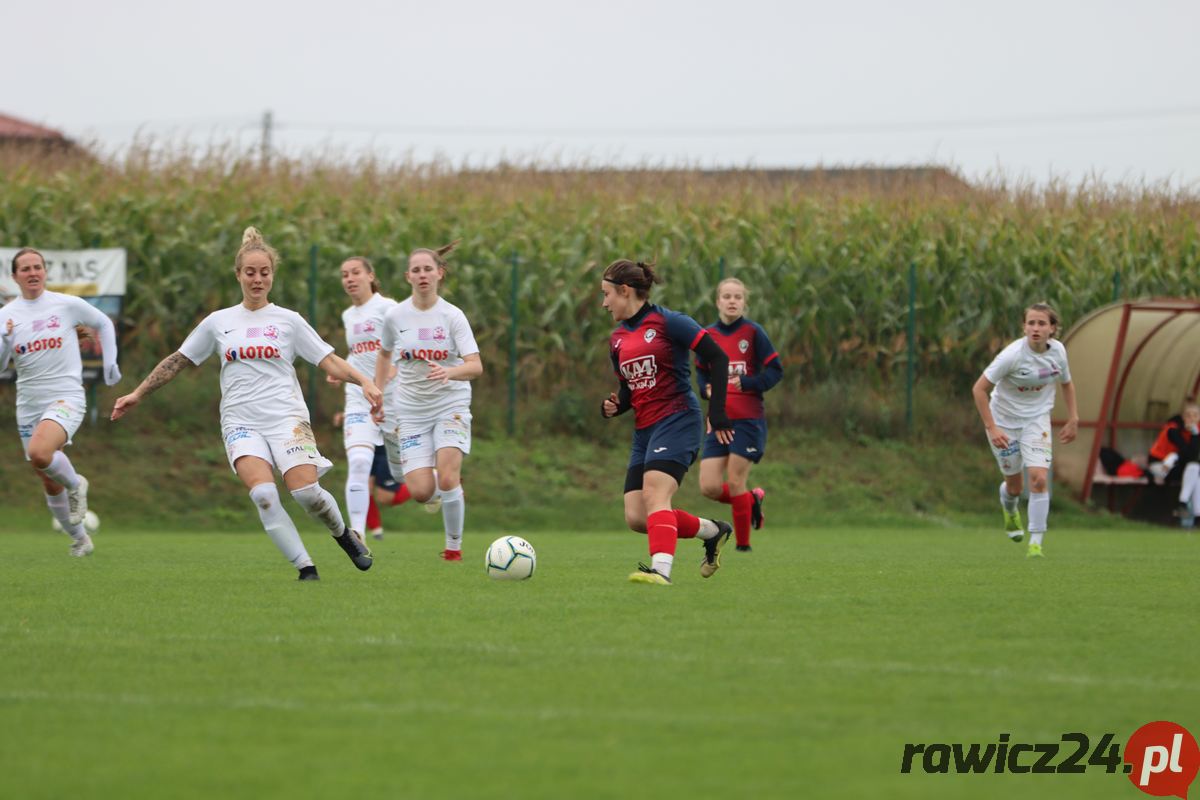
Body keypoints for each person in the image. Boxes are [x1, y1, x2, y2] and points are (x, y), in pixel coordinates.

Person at [110, 227, 381, 580]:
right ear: (238, 275)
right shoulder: (219, 322)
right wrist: (137, 393)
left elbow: (328, 360)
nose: (257, 279)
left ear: (272, 275)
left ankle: (345, 536)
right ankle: (306, 569)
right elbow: (179, 359)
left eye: (264, 272)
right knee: (265, 495)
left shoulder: (288, 320)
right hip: (240, 421)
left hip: (287, 418)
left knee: (306, 494)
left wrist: (364, 381)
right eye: (250, 272)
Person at [599, 258, 734, 585]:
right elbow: (628, 387)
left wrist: (717, 412)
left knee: (656, 494)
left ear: (625, 291)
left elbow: (718, 356)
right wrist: (617, 406)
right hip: (644, 430)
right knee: (637, 516)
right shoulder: (617, 339)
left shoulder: (669, 322)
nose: (604, 303)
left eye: (607, 294)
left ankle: (661, 570)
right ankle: (713, 531)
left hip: (678, 419)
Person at [0, 247, 121, 556]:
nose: (32, 273)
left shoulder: (65, 305)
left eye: (37, 266)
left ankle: (77, 484)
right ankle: (81, 539)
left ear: (44, 271)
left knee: (40, 452)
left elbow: (104, 323)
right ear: (14, 277)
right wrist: (4, 339)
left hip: (66, 396)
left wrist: (110, 364)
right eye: (25, 269)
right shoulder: (6, 317)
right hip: (28, 404)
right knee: (48, 480)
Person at [374, 241, 482, 561]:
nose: (423, 275)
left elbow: (475, 366)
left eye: (428, 269)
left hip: (450, 404)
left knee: (448, 477)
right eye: (416, 270)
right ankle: (443, 490)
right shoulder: (395, 316)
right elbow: (384, 353)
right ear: (408, 276)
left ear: (440, 273)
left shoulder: (452, 316)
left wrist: (450, 372)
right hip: (410, 411)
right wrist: (378, 393)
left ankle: (453, 549)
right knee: (421, 491)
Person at [971, 302, 1079, 558]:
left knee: (1040, 480)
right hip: (1004, 422)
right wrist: (992, 427)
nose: (1035, 328)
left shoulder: (1058, 352)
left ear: (1053, 328)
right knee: (1015, 488)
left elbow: (1067, 383)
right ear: (1024, 327)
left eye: (1042, 323)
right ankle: (1009, 509)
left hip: (1036, 421)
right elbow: (978, 389)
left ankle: (1036, 543)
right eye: (1031, 323)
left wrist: (1073, 417)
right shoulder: (1012, 356)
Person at [696, 277, 783, 552]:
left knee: (735, 481)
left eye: (737, 297)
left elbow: (775, 371)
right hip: (718, 417)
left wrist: (748, 383)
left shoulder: (753, 333)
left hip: (747, 419)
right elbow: (700, 370)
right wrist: (705, 388)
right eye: (727, 296)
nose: (732, 301)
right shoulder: (708, 335)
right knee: (709, 487)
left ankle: (743, 546)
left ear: (744, 302)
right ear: (717, 301)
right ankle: (751, 499)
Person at [1147, 400, 1200, 527]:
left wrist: (1195, 434)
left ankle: (1193, 512)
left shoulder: (1196, 431)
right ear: (1183, 417)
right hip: (1160, 465)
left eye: (1195, 415)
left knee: (1196, 471)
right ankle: (1186, 507)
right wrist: (1195, 435)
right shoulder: (1173, 429)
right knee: (1194, 467)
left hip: (1178, 465)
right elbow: (1188, 453)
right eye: (1188, 415)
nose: (1191, 419)